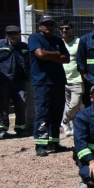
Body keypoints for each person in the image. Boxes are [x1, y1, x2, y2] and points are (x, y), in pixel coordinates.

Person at [29, 15, 70, 156]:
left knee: (57, 113)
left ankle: (54, 141)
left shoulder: (58, 40)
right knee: (43, 113)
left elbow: (66, 58)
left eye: (51, 24)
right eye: (45, 24)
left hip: (58, 81)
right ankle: (40, 144)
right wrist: (57, 54)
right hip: (42, 82)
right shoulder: (34, 38)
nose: (48, 26)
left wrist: (51, 55)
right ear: (40, 26)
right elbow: (40, 54)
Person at [0, 25, 29, 140]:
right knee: (2, 105)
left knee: (21, 104)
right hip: (3, 80)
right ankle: (1, 129)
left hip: (19, 81)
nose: (13, 36)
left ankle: (20, 128)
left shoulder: (24, 47)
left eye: (16, 33)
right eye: (11, 34)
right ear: (7, 34)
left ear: (19, 34)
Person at [60, 21, 84, 137]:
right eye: (62, 29)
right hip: (63, 79)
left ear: (72, 29)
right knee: (68, 104)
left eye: (67, 28)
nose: (64, 30)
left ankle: (64, 121)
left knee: (75, 104)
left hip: (77, 78)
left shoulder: (79, 42)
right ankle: (71, 128)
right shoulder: (59, 43)